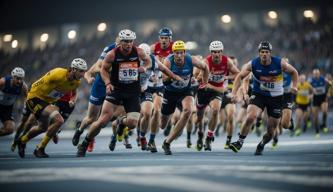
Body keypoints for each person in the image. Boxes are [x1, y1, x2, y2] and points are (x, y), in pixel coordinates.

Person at [76, 29, 151, 157]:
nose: (128, 44)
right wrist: (108, 84)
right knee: (103, 120)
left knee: (133, 124)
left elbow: (149, 61)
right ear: (120, 42)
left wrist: (144, 67)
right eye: (126, 41)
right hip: (116, 90)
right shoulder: (112, 54)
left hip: (132, 92)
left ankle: (121, 123)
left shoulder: (138, 51)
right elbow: (103, 70)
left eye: (130, 41)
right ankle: (85, 142)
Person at [228, 41, 298, 155]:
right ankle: (239, 142)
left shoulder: (280, 63)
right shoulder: (253, 64)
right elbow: (240, 76)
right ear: (259, 53)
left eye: (266, 52)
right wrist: (234, 93)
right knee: (251, 116)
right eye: (262, 52)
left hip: (276, 97)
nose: (264, 54)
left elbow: (294, 72)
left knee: (272, 131)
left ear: (270, 53)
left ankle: (262, 144)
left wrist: (295, 86)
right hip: (259, 94)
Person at [16, 58, 87, 158]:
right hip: (35, 98)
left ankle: (22, 141)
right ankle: (40, 148)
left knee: (42, 128)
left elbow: (73, 92)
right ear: (73, 69)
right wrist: (29, 98)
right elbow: (37, 84)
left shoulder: (77, 82)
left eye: (84, 71)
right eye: (81, 71)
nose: (83, 74)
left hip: (47, 102)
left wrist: (72, 100)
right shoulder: (57, 73)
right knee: (59, 120)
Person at [160, 40, 209, 155]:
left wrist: (205, 84)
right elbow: (164, 80)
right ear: (173, 53)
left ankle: (167, 142)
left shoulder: (190, 59)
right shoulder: (168, 61)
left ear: (184, 52)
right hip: (170, 92)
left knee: (188, 111)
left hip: (185, 91)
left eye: (181, 53)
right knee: (162, 125)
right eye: (176, 53)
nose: (179, 56)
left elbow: (205, 67)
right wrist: (174, 77)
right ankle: (172, 128)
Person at [72, 39, 119, 151]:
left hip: (114, 87)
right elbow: (96, 67)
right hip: (100, 85)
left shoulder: (130, 51)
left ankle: (90, 140)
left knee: (103, 120)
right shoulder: (109, 49)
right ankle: (79, 131)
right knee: (91, 118)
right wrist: (89, 78)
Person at [137, 43, 182, 152]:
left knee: (157, 111)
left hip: (159, 88)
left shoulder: (155, 60)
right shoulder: (135, 61)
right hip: (145, 88)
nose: (144, 58)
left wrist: (175, 77)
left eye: (147, 56)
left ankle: (151, 140)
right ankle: (142, 136)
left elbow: (165, 70)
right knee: (147, 113)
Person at [195, 41, 239, 151]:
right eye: (214, 52)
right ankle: (200, 134)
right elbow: (199, 79)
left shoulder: (226, 61)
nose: (216, 54)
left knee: (215, 110)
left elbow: (238, 74)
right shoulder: (206, 62)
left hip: (216, 92)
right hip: (203, 91)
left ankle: (209, 137)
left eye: (218, 52)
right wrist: (201, 76)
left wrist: (226, 78)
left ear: (221, 52)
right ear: (211, 52)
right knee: (199, 119)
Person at [272, 57, 296, 147]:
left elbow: (296, 81)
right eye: (283, 63)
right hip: (276, 97)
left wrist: (295, 87)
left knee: (284, 124)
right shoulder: (274, 71)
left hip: (287, 96)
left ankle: (290, 125)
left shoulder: (291, 72)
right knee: (273, 121)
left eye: (287, 63)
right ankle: (275, 139)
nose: (285, 65)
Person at [0, 67, 28, 136]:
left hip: (7, 110)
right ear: (12, 77)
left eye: (21, 79)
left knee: (10, 129)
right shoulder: (3, 82)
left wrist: (24, 108)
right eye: (17, 78)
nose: (19, 81)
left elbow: (27, 98)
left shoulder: (23, 87)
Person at [310, 69, 332, 138]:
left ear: (319, 74)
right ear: (313, 74)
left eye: (317, 73)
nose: (316, 75)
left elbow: (330, 84)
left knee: (325, 111)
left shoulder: (323, 79)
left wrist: (328, 92)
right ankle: (317, 131)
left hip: (323, 98)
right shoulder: (311, 81)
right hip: (315, 99)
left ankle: (324, 125)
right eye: (315, 74)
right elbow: (307, 89)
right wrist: (310, 94)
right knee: (315, 117)